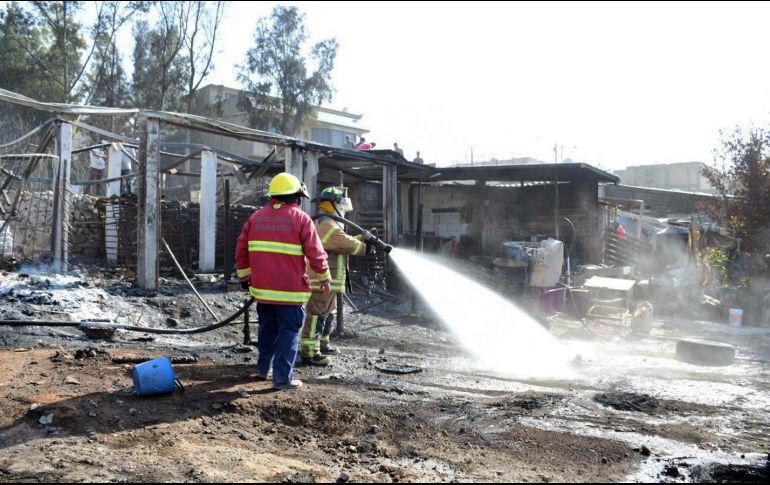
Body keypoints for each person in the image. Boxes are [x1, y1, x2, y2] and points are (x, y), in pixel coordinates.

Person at [235, 172, 332, 390]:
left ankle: (263, 370)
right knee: (288, 333)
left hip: (263, 291)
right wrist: (325, 278)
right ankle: (282, 379)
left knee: (267, 329)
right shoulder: (301, 219)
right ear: (295, 196)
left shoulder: (256, 217)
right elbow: (316, 253)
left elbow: (241, 252)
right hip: (290, 292)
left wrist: (244, 279)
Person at [300, 187, 378, 365]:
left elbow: (342, 241)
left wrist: (361, 236)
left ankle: (322, 344)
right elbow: (344, 243)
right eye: (340, 203)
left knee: (328, 313)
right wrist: (366, 247)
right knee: (317, 315)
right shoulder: (327, 225)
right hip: (322, 280)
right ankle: (310, 353)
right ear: (333, 204)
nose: (342, 208)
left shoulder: (325, 223)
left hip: (329, 280)